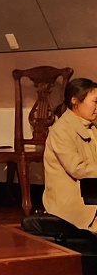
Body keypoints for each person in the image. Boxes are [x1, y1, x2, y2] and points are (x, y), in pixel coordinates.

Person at [44, 77, 97, 234]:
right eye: (95, 102)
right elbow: (77, 169)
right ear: (75, 101)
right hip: (73, 202)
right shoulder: (61, 130)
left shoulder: (92, 128)